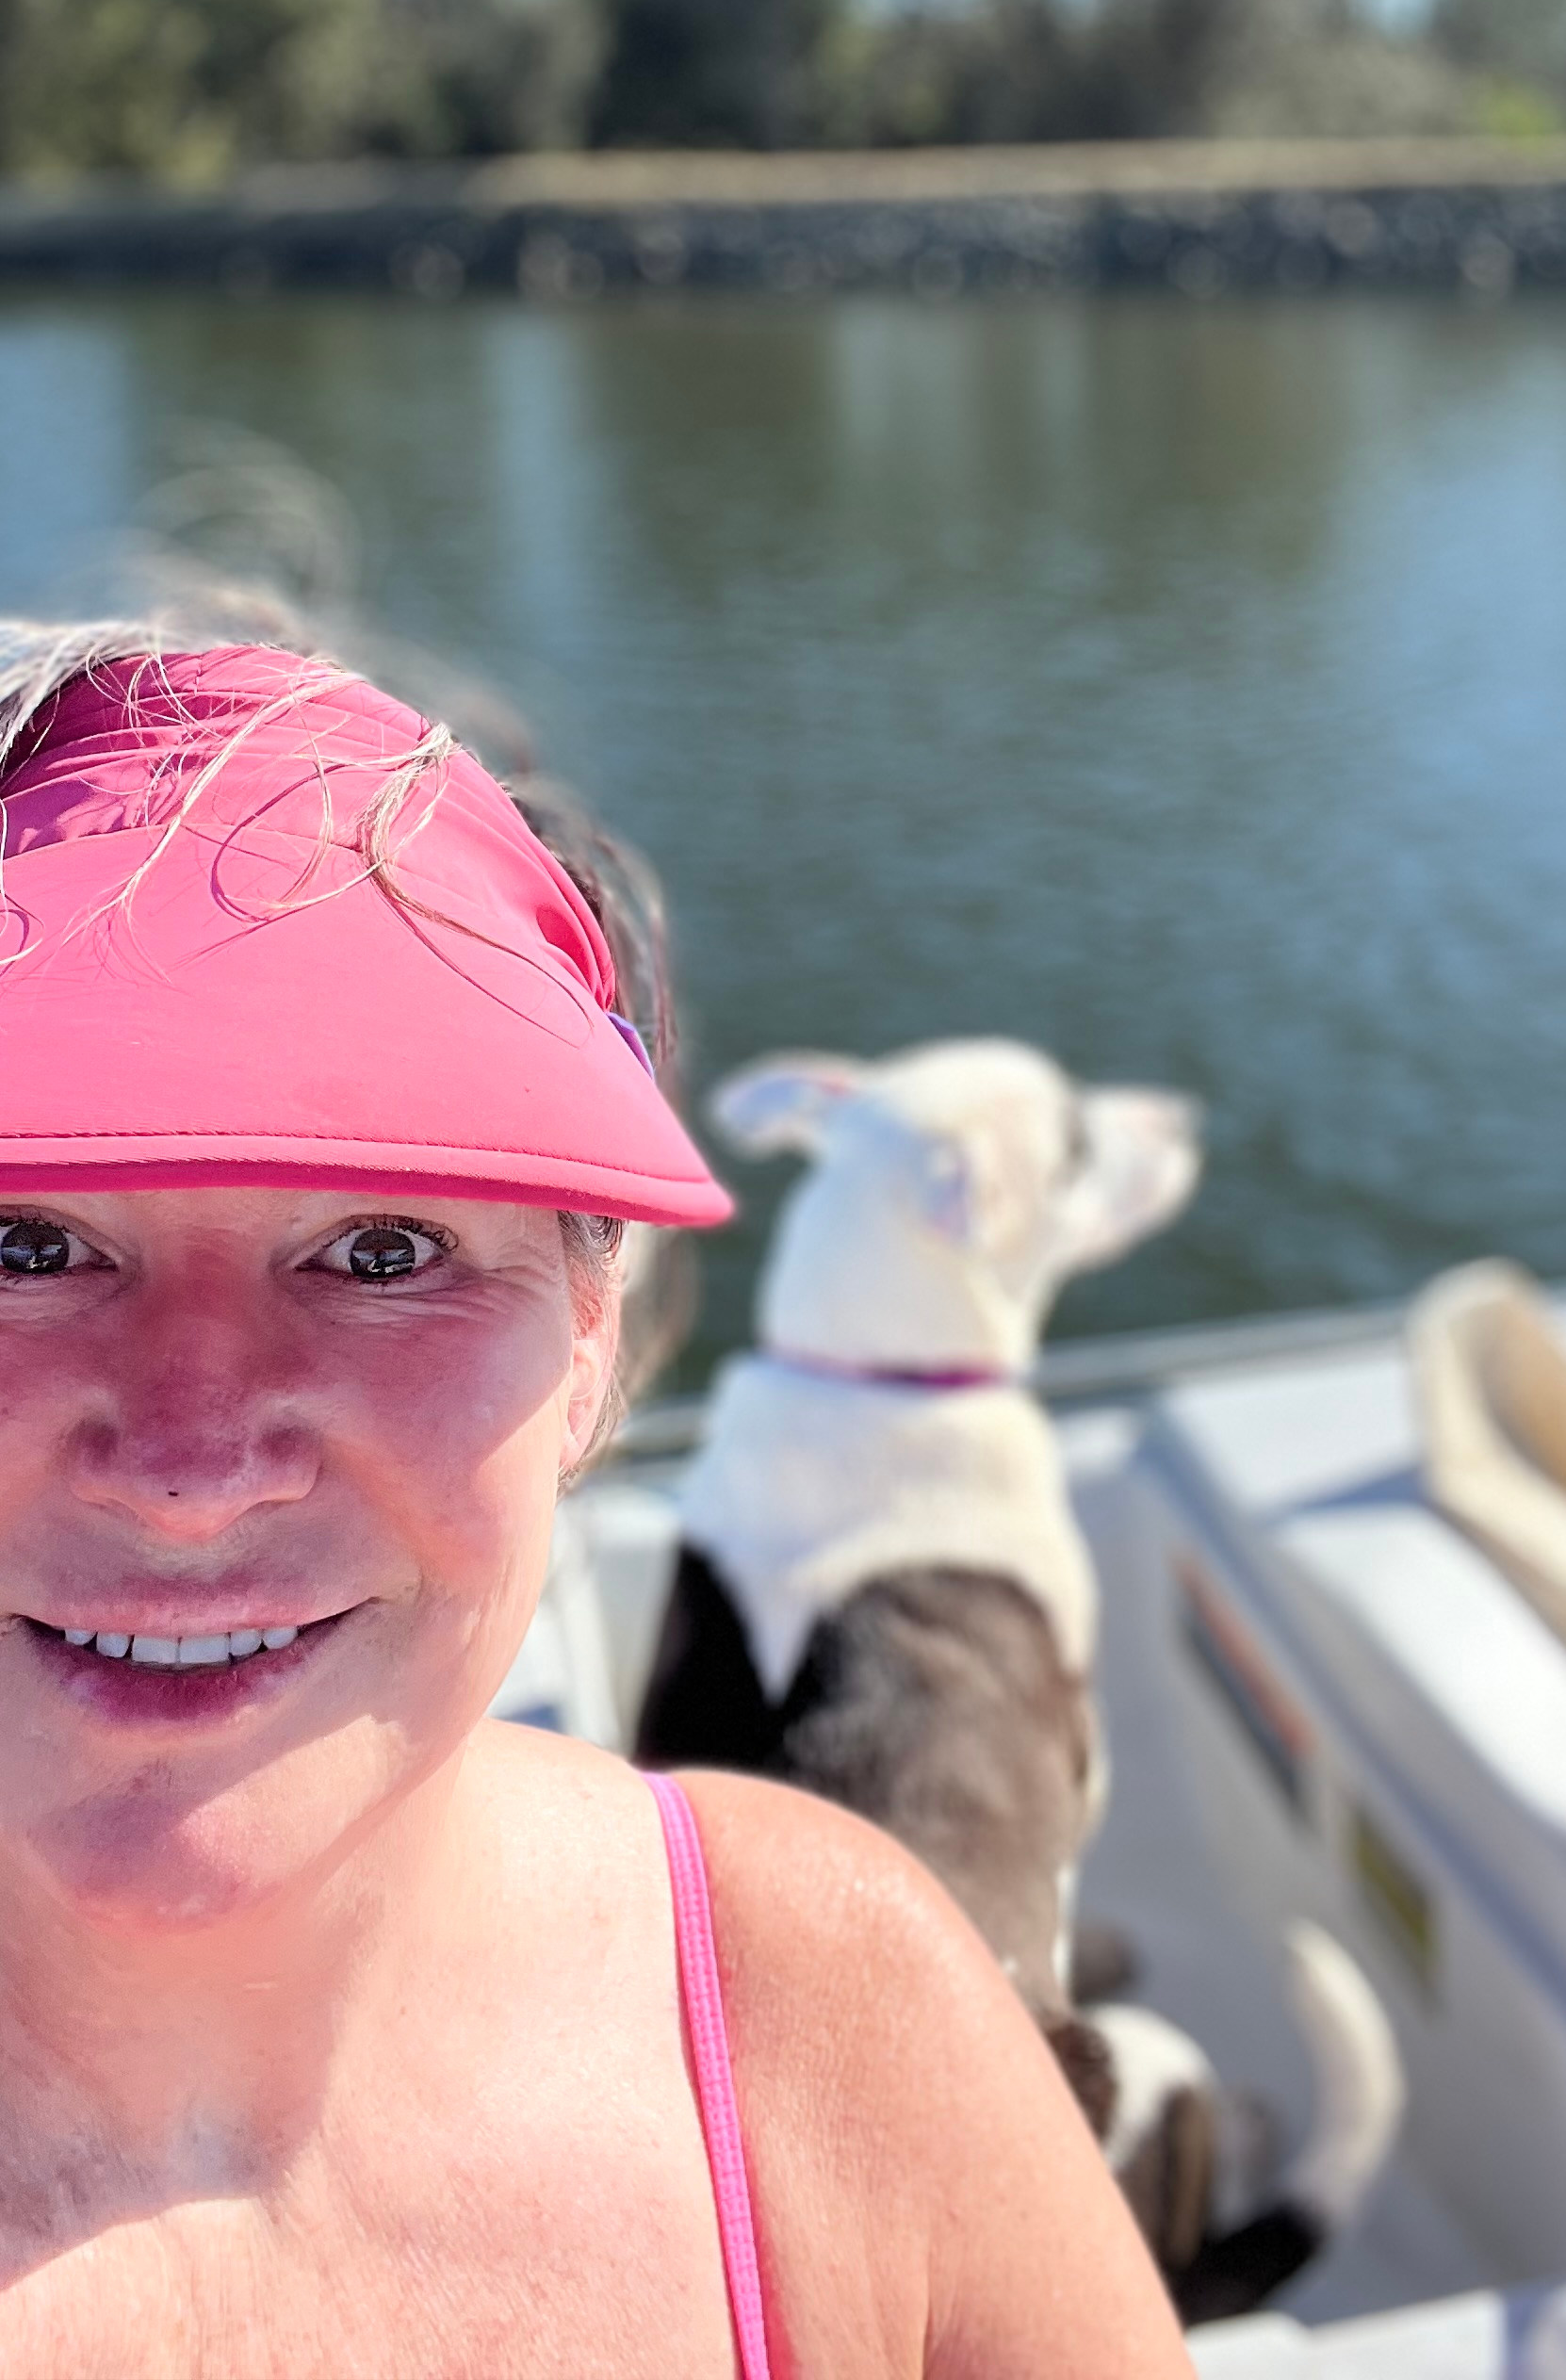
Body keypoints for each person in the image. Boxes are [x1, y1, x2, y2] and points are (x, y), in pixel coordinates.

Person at [0, 625, 1192, 2379]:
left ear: (589, 1338)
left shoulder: (841, 2031)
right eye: (23, 1242)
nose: (192, 1470)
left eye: (384, 1251)